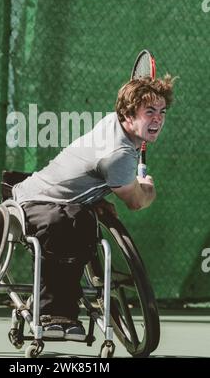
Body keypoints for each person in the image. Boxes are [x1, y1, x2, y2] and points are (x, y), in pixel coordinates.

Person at [12, 75, 175, 341]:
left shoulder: (113, 124)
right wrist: (148, 188)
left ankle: (58, 309)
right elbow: (135, 201)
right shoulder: (120, 154)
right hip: (32, 204)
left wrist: (96, 198)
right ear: (128, 115)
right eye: (149, 112)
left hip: (39, 191)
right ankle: (52, 314)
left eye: (161, 112)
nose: (157, 118)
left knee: (79, 218)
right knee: (71, 223)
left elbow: (87, 170)